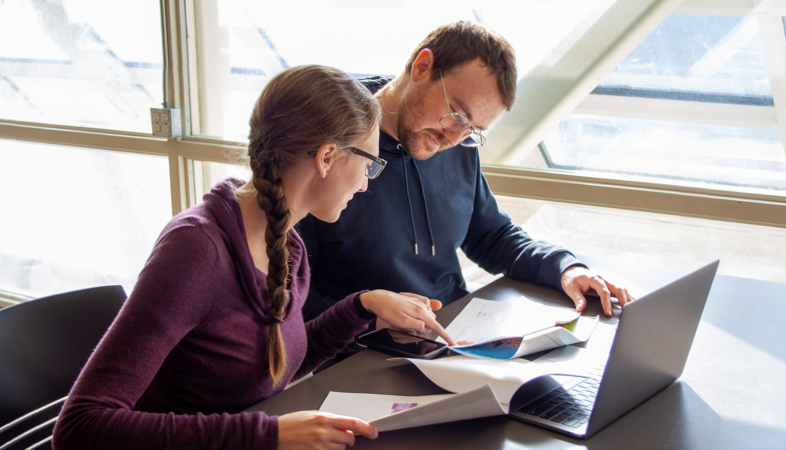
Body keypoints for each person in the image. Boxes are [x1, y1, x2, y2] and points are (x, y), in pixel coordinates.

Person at [53, 65, 454, 450]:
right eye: (370, 163)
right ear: (328, 157)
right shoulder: (195, 251)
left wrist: (362, 307)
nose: (367, 184)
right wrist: (266, 437)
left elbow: (268, 370)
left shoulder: (288, 244)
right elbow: (81, 427)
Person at [300, 22, 634, 341]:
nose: (454, 137)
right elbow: (292, 298)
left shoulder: (451, 140)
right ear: (422, 67)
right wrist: (369, 323)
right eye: (457, 114)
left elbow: (491, 236)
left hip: (455, 334)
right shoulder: (331, 140)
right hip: (363, 352)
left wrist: (565, 269)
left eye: (472, 129)